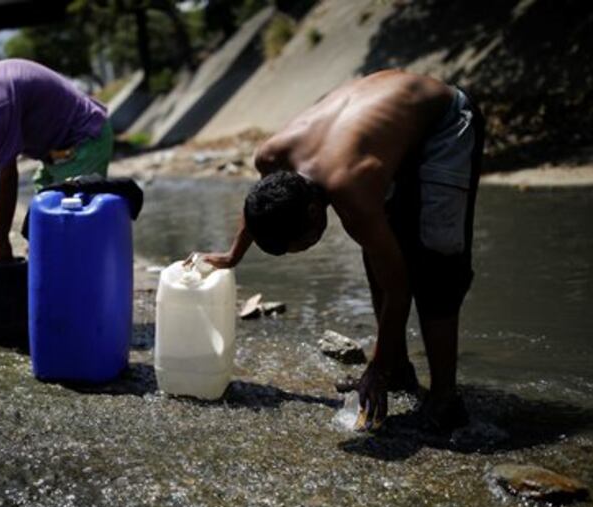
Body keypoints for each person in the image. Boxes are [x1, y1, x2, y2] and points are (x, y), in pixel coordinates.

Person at [203, 70, 484, 432]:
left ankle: (444, 398)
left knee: (435, 266)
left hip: (446, 123)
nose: (303, 251)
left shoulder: (350, 189)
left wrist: (373, 370)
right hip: (384, 125)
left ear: (312, 212)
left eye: (302, 244)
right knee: (379, 248)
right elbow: (258, 203)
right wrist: (233, 255)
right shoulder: (271, 158)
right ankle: (396, 368)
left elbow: (400, 290)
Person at [0, 59, 114, 262]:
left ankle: (91, 279)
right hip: (56, 153)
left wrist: (1, 240)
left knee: (74, 226)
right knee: (49, 221)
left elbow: (8, 173)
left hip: (84, 140)